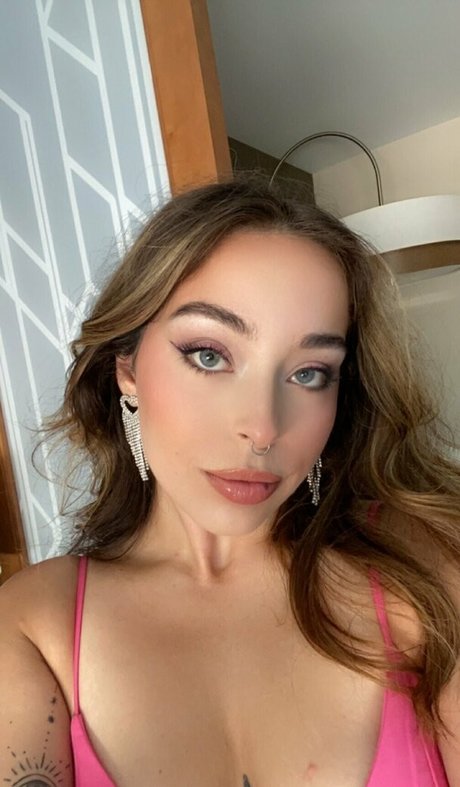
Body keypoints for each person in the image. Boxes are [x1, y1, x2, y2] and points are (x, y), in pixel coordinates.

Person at [0, 176, 459, 787]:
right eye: (209, 355)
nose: (263, 428)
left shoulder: (424, 566)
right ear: (127, 367)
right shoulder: (34, 627)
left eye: (310, 373)